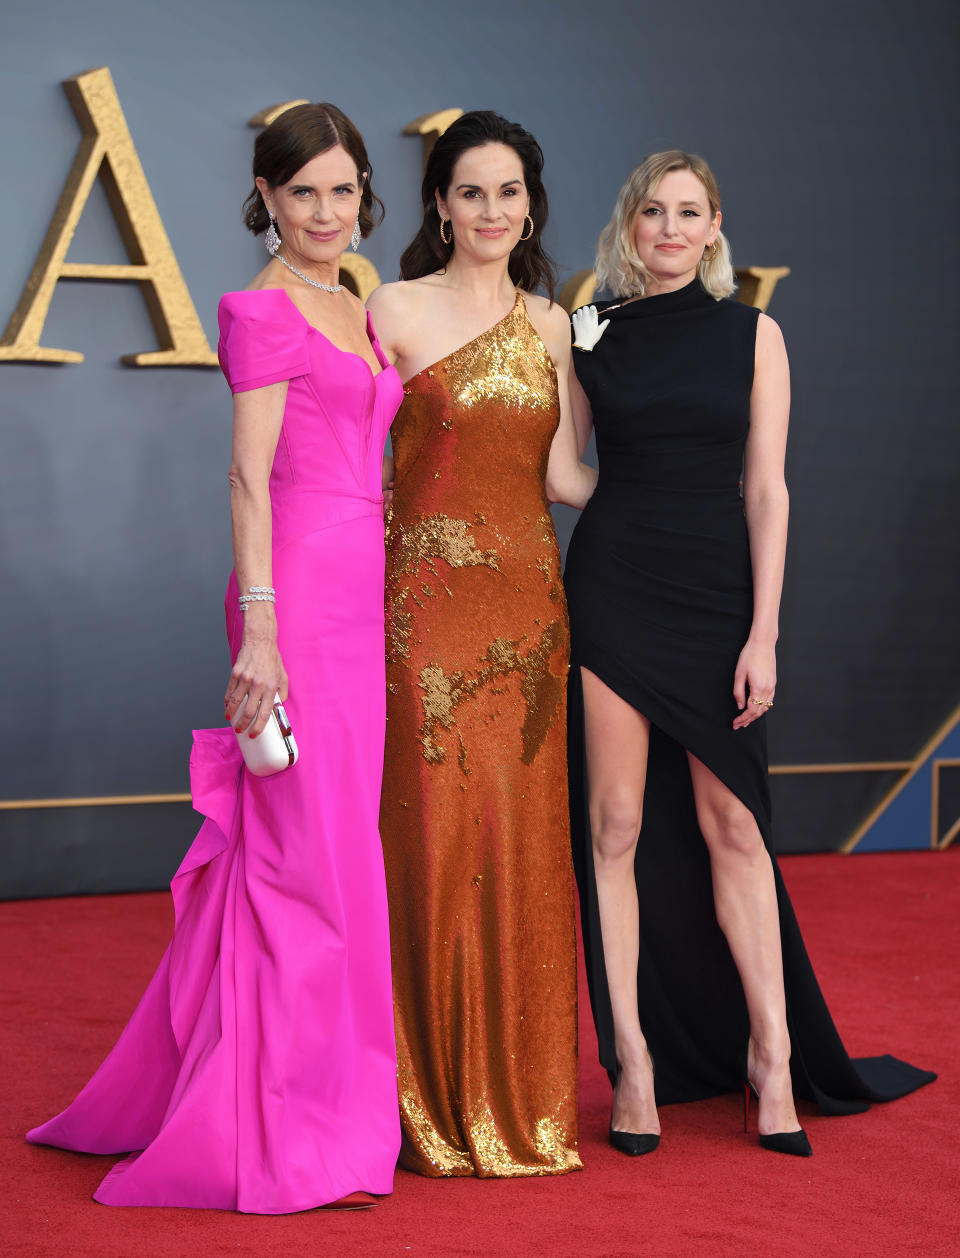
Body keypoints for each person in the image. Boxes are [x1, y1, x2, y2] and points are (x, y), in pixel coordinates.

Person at [27, 103, 403, 1211]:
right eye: (303, 194)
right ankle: (277, 1124)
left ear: (363, 192)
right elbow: (248, 477)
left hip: (362, 596)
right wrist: (265, 630)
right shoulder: (258, 310)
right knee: (297, 859)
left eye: (343, 190)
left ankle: (317, 1097)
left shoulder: (361, 304)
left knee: (334, 851)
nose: (326, 212)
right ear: (267, 200)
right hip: (292, 595)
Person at [565, 150, 935, 1158]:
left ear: (717, 226)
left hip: (720, 600)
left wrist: (763, 632)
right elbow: (562, 466)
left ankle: (772, 1056)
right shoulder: (588, 332)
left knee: (734, 825)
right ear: (630, 226)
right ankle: (632, 1061)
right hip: (612, 590)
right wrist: (637, 510)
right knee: (615, 823)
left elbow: (768, 492)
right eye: (655, 212)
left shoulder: (753, 334)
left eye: (691, 213)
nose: (672, 230)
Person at [367, 111, 596, 1178]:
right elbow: (356, 473)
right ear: (441, 206)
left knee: (519, 841)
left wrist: (682, 493)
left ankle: (524, 1100)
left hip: (529, 618)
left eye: (510, 192)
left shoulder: (555, 326)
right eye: (472, 193)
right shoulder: (393, 310)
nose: (493, 211)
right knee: (431, 837)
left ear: (531, 204)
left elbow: (563, 481)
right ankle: (421, 1091)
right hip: (421, 610)